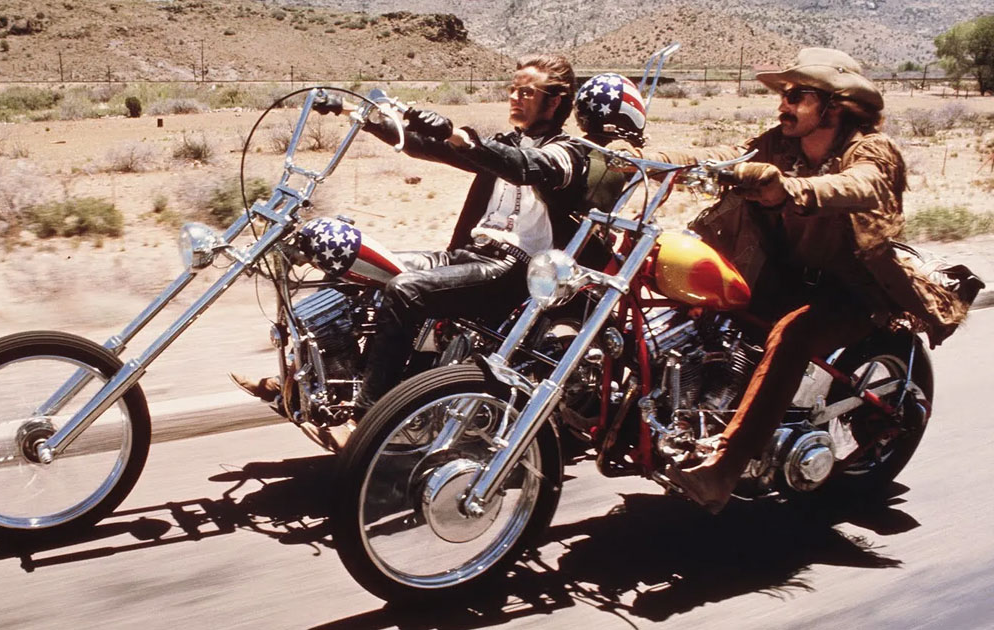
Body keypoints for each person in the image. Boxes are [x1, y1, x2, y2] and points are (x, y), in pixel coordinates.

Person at [232, 60, 644, 449]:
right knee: (357, 268)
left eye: (527, 92)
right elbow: (427, 147)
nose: (514, 97)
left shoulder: (567, 153)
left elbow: (523, 166)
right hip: (471, 254)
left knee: (404, 291)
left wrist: (460, 136)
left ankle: (368, 421)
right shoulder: (506, 143)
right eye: (512, 89)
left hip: (514, 269)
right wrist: (356, 113)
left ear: (554, 103)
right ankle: (312, 383)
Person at [632, 48, 973, 512]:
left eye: (797, 96)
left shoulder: (871, 149)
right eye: (784, 95)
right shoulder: (781, 144)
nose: (783, 105)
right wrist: (646, 159)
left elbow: (863, 184)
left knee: (792, 335)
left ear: (834, 106)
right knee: (697, 300)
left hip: (850, 290)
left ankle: (724, 470)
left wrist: (789, 189)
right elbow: (725, 156)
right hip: (784, 276)